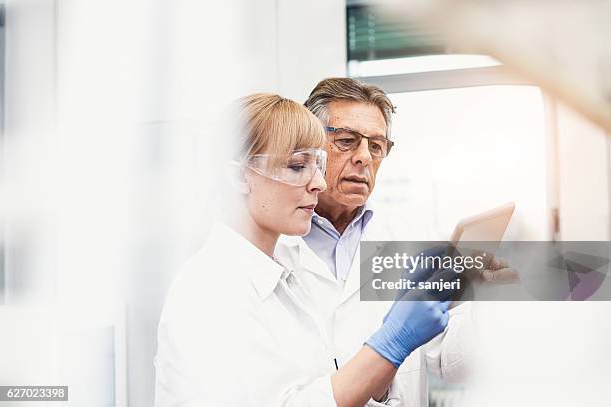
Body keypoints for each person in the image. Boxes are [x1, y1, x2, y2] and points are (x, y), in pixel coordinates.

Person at [154, 93, 452, 406]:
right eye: (297, 166)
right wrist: (391, 343)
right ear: (240, 176)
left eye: (317, 165)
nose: (319, 184)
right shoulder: (210, 288)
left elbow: (322, 387)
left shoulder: (284, 279)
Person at [275, 78, 514, 406]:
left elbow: (451, 364)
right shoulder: (275, 246)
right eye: (346, 141)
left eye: (376, 146)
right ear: (309, 147)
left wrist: (486, 305)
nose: (364, 158)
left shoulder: (409, 236)